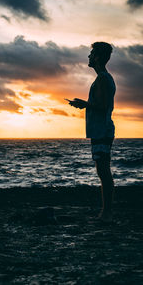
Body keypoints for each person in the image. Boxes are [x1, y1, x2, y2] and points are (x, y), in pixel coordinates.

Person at [67, 42, 116, 223]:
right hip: (100, 130)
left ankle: (107, 213)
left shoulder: (103, 78)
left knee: (103, 171)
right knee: (102, 170)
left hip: (102, 130)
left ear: (97, 57)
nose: (88, 57)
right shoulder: (103, 78)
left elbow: (103, 106)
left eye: (91, 54)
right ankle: (106, 212)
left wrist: (84, 104)